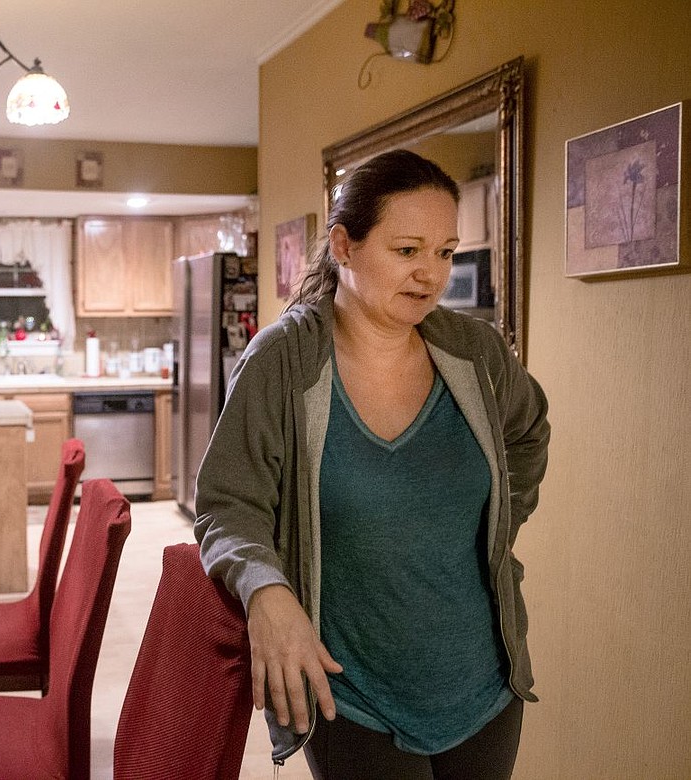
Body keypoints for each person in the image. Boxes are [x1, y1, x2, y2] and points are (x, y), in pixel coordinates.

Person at [194, 149, 550, 779]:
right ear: (344, 246)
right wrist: (267, 591)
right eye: (407, 250)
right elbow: (229, 504)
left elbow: (527, 432)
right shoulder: (283, 362)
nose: (430, 275)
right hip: (351, 690)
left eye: (445, 252)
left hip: (483, 683)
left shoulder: (476, 353)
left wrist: (502, 519)